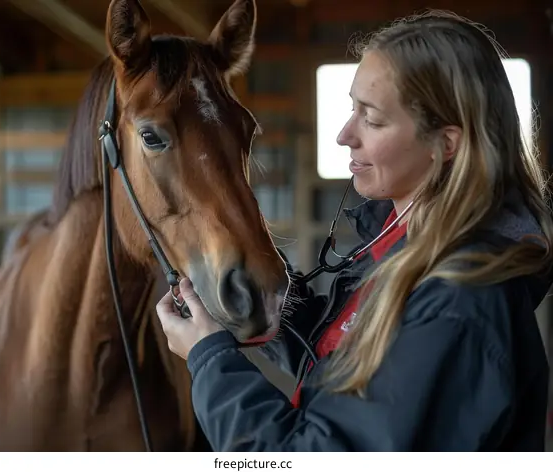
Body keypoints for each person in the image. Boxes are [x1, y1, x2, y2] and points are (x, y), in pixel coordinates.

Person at [156, 10, 553, 451]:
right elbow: (342, 359)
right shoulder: (401, 244)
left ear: (447, 143)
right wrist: (260, 281)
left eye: (373, 119)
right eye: (352, 108)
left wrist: (209, 358)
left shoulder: (459, 303)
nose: (345, 135)